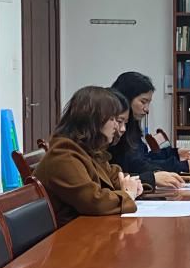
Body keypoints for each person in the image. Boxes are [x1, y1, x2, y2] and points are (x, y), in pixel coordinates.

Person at [34, 86, 142, 225]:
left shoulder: (88, 148)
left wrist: (132, 183)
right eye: (112, 119)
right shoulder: (64, 155)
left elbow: (112, 176)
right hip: (69, 233)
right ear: (94, 121)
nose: (117, 126)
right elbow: (94, 201)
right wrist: (128, 195)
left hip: (85, 226)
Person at [109, 72, 190, 189]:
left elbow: (144, 158)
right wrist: (180, 166)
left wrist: (175, 154)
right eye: (143, 102)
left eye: (148, 103)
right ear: (126, 98)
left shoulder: (131, 127)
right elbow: (136, 166)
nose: (147, 109)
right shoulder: (117, 132)